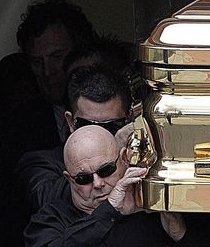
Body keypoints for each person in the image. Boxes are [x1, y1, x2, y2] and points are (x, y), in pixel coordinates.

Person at [24, 126, 186, 246]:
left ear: (124, 159)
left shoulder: (152, 208)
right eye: (83, 178)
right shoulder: (51, 219)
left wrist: (180, 234)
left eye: (106, 170)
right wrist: (109, 210)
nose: (98, 183)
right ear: (70, 179)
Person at [17, 65, 134, 214]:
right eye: (87, 125)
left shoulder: (139, 159)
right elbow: (45, 198)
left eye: (112, 125)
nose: (99, 134)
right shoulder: (41, 163)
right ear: (71, 122)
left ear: (129, 120)